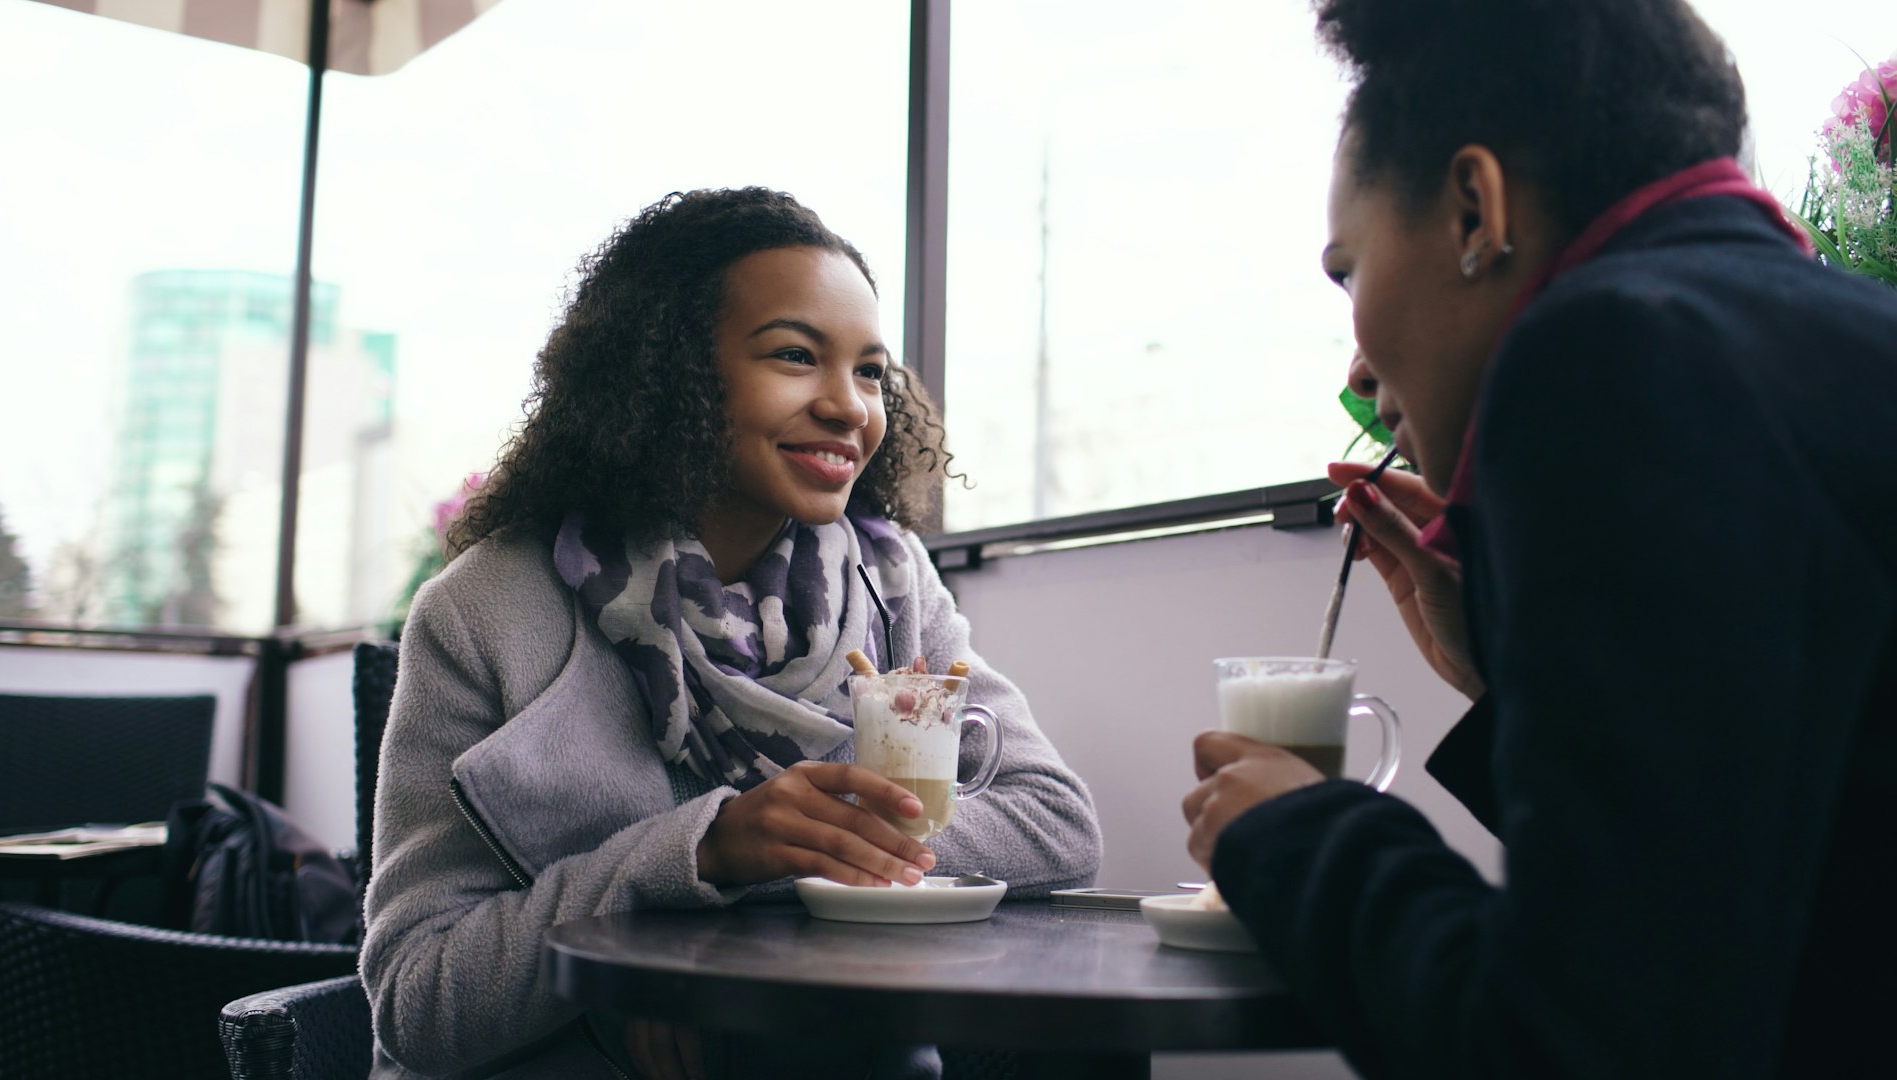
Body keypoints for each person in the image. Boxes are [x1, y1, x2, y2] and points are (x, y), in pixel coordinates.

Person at [1182, 1, 1897, 1077]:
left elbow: (1574, 1046)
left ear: (1475, 208)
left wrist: (1300, 833)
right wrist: (1507, 674)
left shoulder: (1607, 351)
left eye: (1348, 272)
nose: (1359, 377)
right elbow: (1741, 920)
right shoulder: (1834, 334)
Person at [362, 187, 1102, 1080]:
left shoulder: (892, 582)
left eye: (870, 371)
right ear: (667, 373)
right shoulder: (487, 611)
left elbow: (1055, 822)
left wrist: (704, 946)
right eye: (796, 356)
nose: (849, 407)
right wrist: (700, 850)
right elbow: (419, 998)